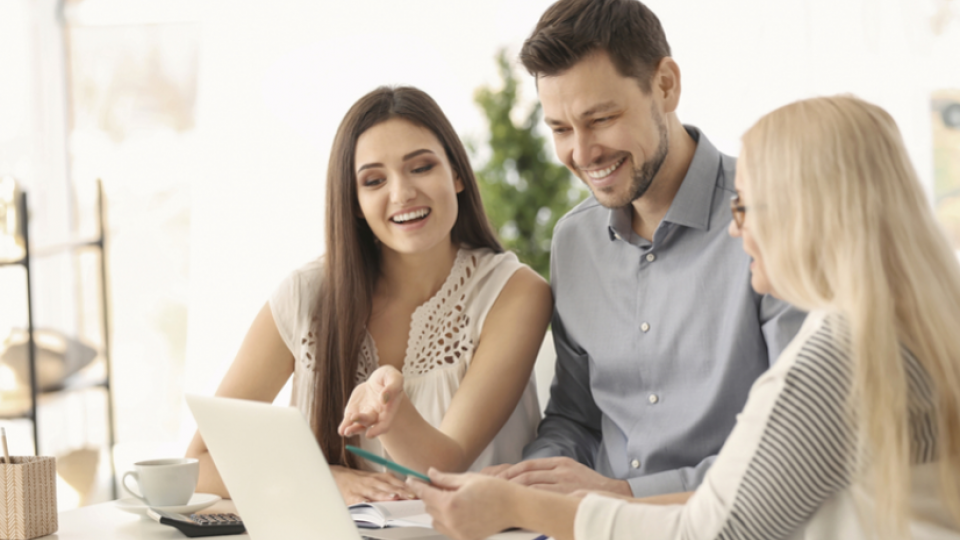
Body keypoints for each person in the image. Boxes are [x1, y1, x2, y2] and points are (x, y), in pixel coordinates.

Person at [410, 95, 960, 540]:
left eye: (746, 206)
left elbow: (717, 528)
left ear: (808, 212)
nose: (735, 228)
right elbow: (736, 498)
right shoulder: (906, 325)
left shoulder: (838, 355)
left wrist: (522, 508)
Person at [484, 0, 804, 498]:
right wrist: (530, 481)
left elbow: (793, 449)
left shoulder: (774, 216)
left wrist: (627, 498)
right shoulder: (573, 241)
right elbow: (577, 417)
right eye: (561, 129)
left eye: (602, 118)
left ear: (666, 85)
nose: (582, 153)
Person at [185, 86, 552, 504]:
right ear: (355, 202)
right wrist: (321, 480)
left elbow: (442, 465)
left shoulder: (516, 293)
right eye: (374, 180)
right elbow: (199, 463)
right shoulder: (306, 297)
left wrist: (389, 401)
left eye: (421, 167)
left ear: (457, 175)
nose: (402, 193)